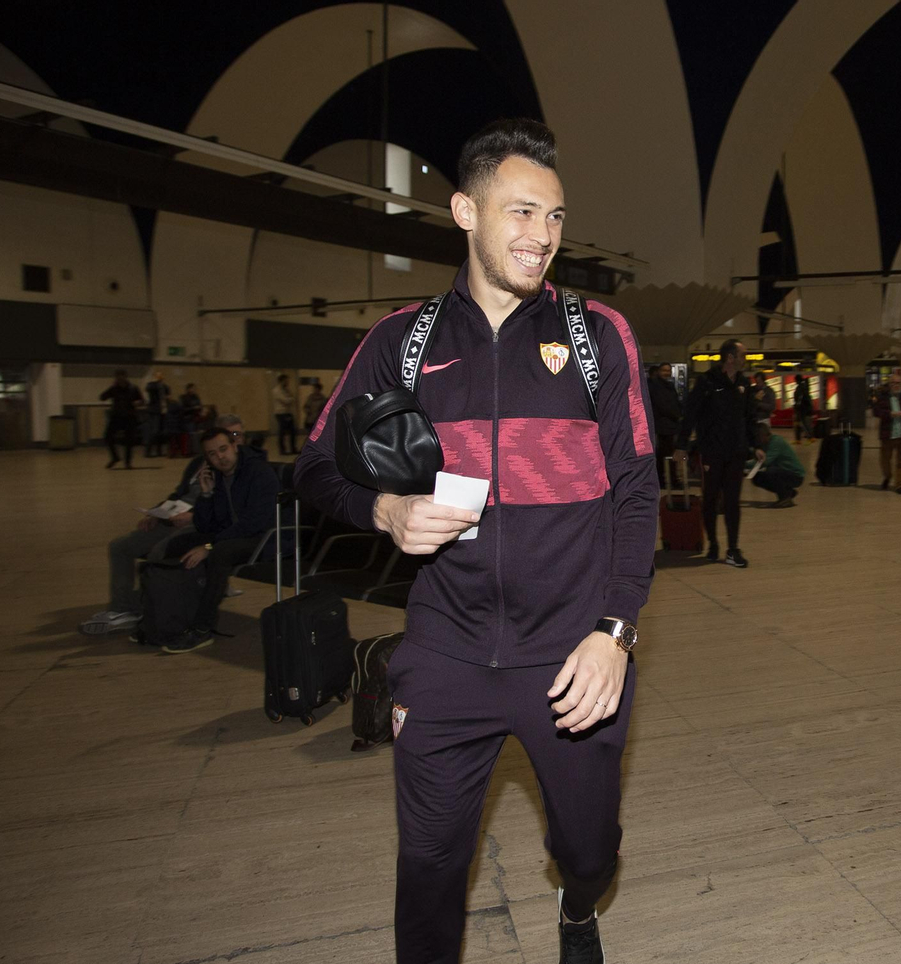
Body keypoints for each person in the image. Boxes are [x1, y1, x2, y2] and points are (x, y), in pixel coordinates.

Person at [294, 118, 657, 964]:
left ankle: (577, 904)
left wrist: (615, 632)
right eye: (522, 213)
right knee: (427, 867)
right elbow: (315, 465)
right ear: (465, 211)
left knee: (590, 849)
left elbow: (636, 490)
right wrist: (384, 511)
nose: (542, 237)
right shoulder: (402, 342)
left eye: (556, 218)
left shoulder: (597, 336)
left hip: (572, 656)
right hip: (446, 651)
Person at [78, 414, 251, 636]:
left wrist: (193, 516)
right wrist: (157, 512)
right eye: (226, 436)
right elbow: (179, 494)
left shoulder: (246, 468)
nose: (231, 441)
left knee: (160, 552)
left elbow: (231, 511)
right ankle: (122, 610)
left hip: (198, 524)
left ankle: (142, 607)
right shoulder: (199, 463)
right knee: (120, 547)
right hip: (174, 517)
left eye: (236, 435)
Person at [155, 426, 279, 654]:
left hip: (265, 539)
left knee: (220, 553)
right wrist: (206, 494)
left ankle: (202, 629)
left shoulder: (258, 472)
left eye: (223, 449)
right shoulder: (220, 478)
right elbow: (206, 526)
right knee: (178, 544)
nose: (220, 457)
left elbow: (255, 522)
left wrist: (209, 546)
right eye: (212, 454)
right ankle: (171, 616)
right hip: (232, 536)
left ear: (235, 446)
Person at [677, 338, 762, 568]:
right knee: (711, 499)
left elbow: (750, 417)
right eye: (743, 355)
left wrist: (757, 444)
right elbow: (690, 414)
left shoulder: (744, 384)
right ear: (730, 358)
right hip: (712, 451)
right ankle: (713, 542)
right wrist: (681, 445)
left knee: (733, 501)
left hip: (736, 451)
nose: (746, 359)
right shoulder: (707, 383)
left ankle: (733, 549)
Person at [870, 369, 901, 494]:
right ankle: (887, 476)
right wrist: (889, 414)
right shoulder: (883, 398)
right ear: (889, 384)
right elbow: (876, 411)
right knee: (885, 459)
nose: (896, 385)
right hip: (888, 434)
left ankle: (899, 484)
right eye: (893, 383)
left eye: (898, 383)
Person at [747, 424, 805, 507]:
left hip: (796, 475)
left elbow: (764, 462)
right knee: (757, 478)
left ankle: (784, 498)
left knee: (770, 472)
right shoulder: (764, 444)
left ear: (762, 435)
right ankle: (788, 492)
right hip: (783, 472)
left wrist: (742, 465)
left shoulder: (776, 441)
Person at [648, 363, 684, 489]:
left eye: (668, 371)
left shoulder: (668, 385)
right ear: (659, 371)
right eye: (664, 370)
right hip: (663, 426)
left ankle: (665, 480)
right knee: (665, 454)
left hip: (669, 425)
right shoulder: (655, 386)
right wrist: (677, 416)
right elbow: (663, 405)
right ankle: (668, 480)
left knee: (665, 454)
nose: (667, 373)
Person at [99, 369, 144, 469]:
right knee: (107, 437)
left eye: (121, 377)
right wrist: (111, 389)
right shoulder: (114, 388)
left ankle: (128, 463)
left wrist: (137, 403)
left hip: (129, 417)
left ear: (125, 377)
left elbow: (142, 400)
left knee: (129, 441)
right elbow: (102, 397)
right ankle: (115, 457)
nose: (120, 379)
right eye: (117, 377)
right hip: (116, 417)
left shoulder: (133, 388)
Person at [144, 371, 170, 458]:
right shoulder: (151, 385)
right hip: (154, 411)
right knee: (154, 431)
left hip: (163, 410)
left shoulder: (164, 386)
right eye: (158, 376)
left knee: (161, 431)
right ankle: (148, 451)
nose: (160, 377)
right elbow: (148, 388)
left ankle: (159, 450)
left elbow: (168, 391)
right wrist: (156, 382)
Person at [271, 373, 297, 456]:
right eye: (286, 381)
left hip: (288, 412)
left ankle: (293, 448)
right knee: (282, 432)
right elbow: (286, 401)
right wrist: (291, 399)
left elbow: (291, 399)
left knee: (293, 431)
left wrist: (291, 399)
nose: (287, 382)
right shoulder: (276, 391)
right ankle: (283, 450)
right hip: (281, 413)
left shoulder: (286, 390)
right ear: (281, 381)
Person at [793, 373, 815, 443]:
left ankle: (809, 438)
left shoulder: (801, 388)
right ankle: (799, 439)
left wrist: (797, 405)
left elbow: (800, 398)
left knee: (804, 423)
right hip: (802, 408)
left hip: (802, 409)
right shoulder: (803, 387)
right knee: (798, 424)